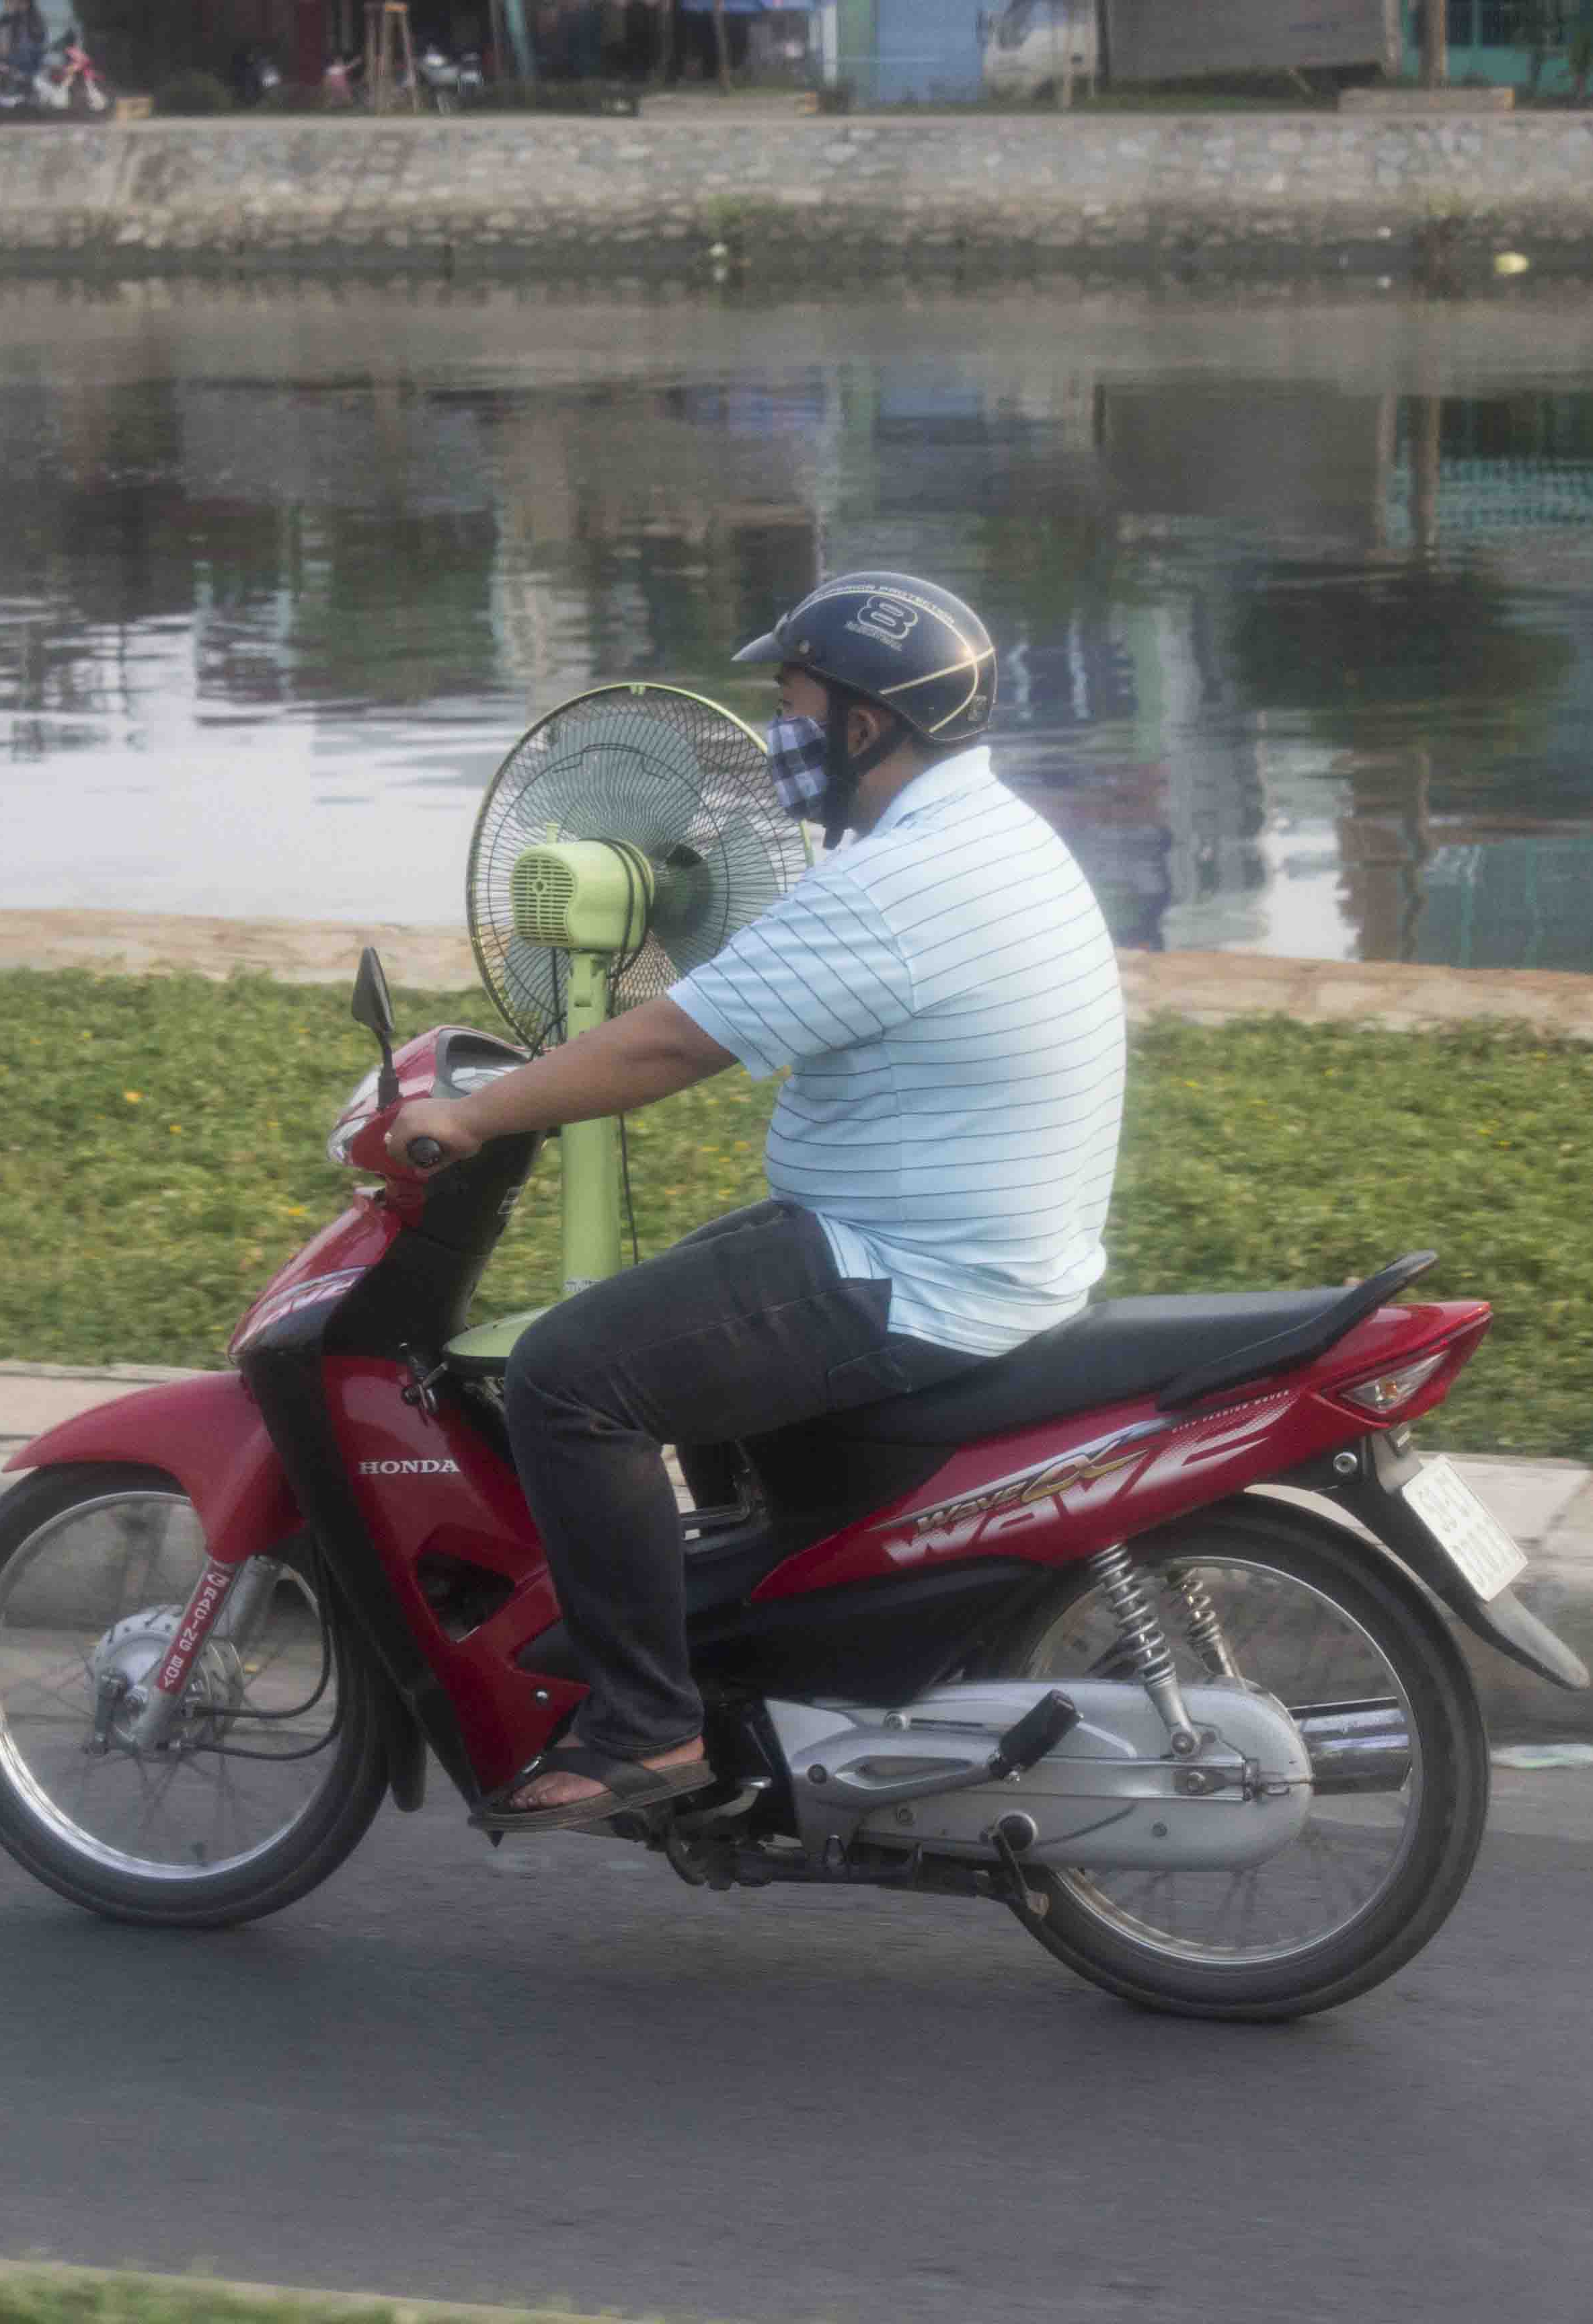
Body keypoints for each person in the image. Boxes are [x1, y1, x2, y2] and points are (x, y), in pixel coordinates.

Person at [389, 573, 1128, 1832]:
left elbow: (666, 1046)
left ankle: (646, 1725)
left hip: (915, 1272)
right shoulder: (982, 831)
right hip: (968, 1244)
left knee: (569, 1374)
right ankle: (752, 1664)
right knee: (673, 1298)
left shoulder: (893, 886)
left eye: (789, 708)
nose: (772, 741)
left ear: (861, 726)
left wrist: (468, 1114)